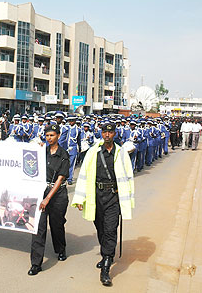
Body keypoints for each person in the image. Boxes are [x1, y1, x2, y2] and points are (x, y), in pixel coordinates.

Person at [71, 122, 135, 287]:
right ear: (101, 133)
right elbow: (84, 175)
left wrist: (127, 199)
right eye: (105, 133)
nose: (107, 135)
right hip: (96, 196)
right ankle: (106, 253)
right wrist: (80, 198)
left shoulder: (121, 153)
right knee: (100, 228)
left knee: (110, 229)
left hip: (113, 197)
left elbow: (128, 177)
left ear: (114, 134)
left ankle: (106, 267)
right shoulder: (93, 152)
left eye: (110, 133)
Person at [29, 124, 70, 276]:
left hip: (57, 194)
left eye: (52, 135)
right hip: (41, 192)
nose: (49, 138)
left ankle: (60, 249)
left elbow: (60, 179)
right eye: (47, 136)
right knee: (38, 228)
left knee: (56, 225)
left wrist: (47, 198)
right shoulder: (41, 152)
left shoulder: (64, 155)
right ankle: (36, 263)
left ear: (58, 136)